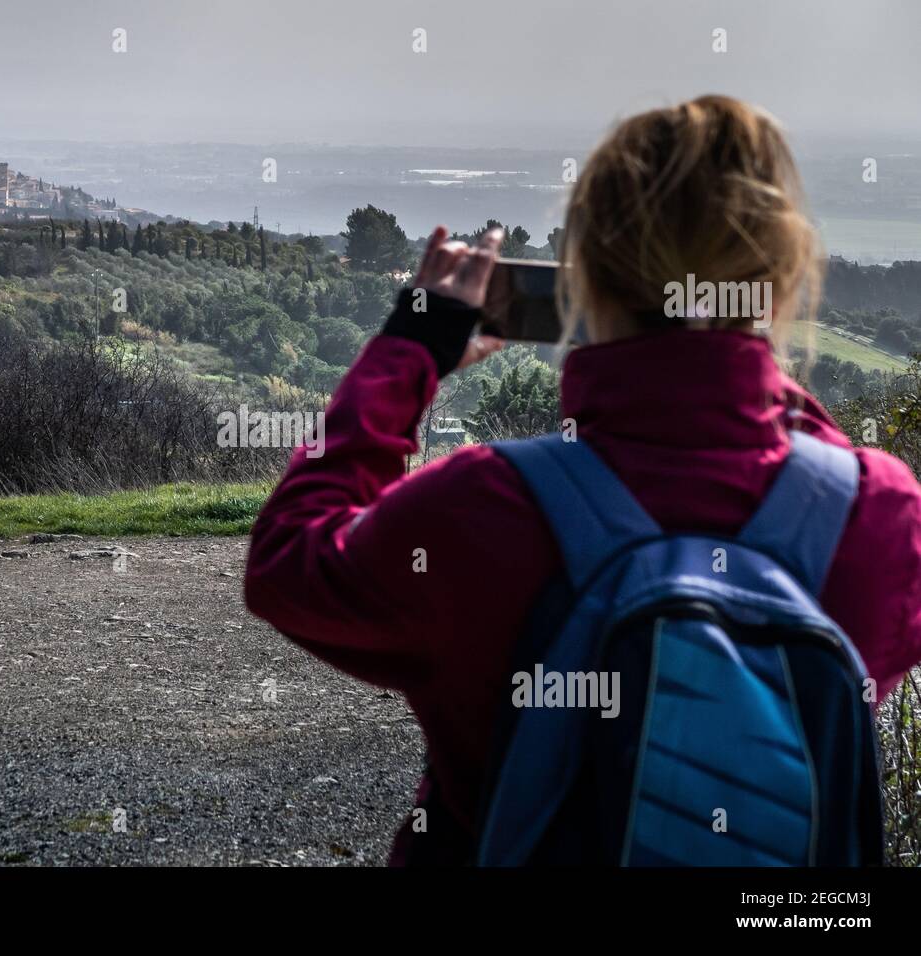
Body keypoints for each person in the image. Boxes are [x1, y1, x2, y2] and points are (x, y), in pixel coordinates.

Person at [243, 95, 921, 865]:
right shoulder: (881, 515)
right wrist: (749, 371)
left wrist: (411, 350)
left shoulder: (480, 507)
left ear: (584, 277)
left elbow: (289, 561)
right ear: (778, 279)